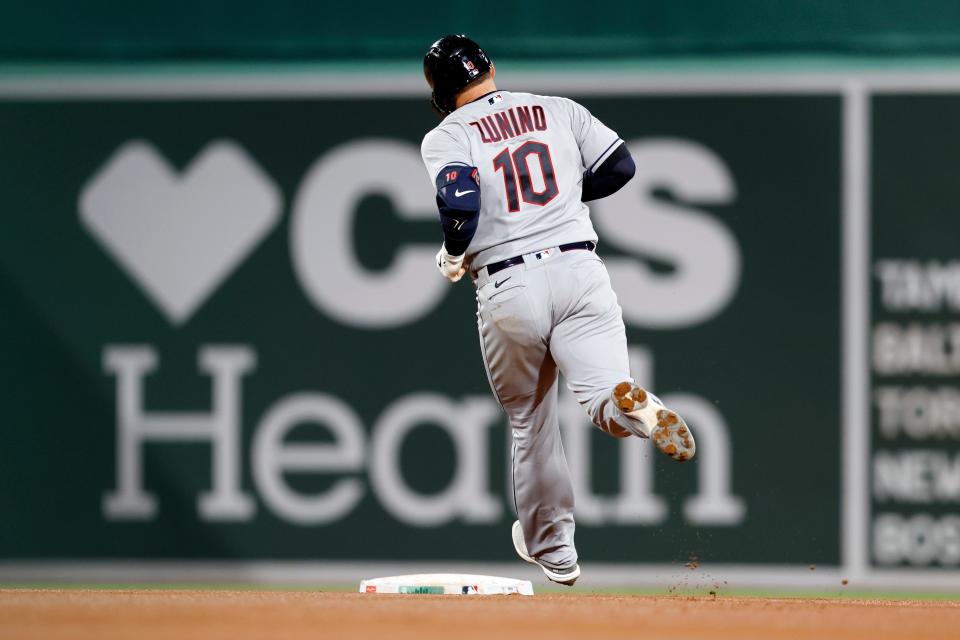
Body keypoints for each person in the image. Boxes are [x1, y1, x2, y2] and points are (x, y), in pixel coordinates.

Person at [420, 34, 696, 587]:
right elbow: (620, 166)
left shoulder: (448, 133)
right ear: (491, 67)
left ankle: (558, 553)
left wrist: (452, 253)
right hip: (580, 271)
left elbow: (459, 199)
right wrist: (564, 196)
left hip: (510, 283)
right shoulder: (557, 109)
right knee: (602, 393)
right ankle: (639, 409)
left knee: (531, 420)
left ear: (441, 93)